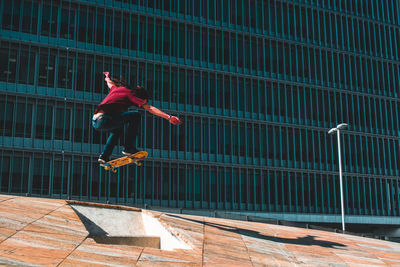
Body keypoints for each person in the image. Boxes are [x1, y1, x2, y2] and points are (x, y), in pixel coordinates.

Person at [92, 72, 182, 164]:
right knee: (135, 115)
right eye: (143, 101)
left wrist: (107, 77)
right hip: (104, 119)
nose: (140, 104)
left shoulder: (117, 89)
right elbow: (150, 108)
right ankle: (128, 148)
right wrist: (168, 117)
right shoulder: (130, 94)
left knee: (117, 130)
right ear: (139, 97)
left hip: (96, 121)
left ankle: (104, 157)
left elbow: (110, 83)